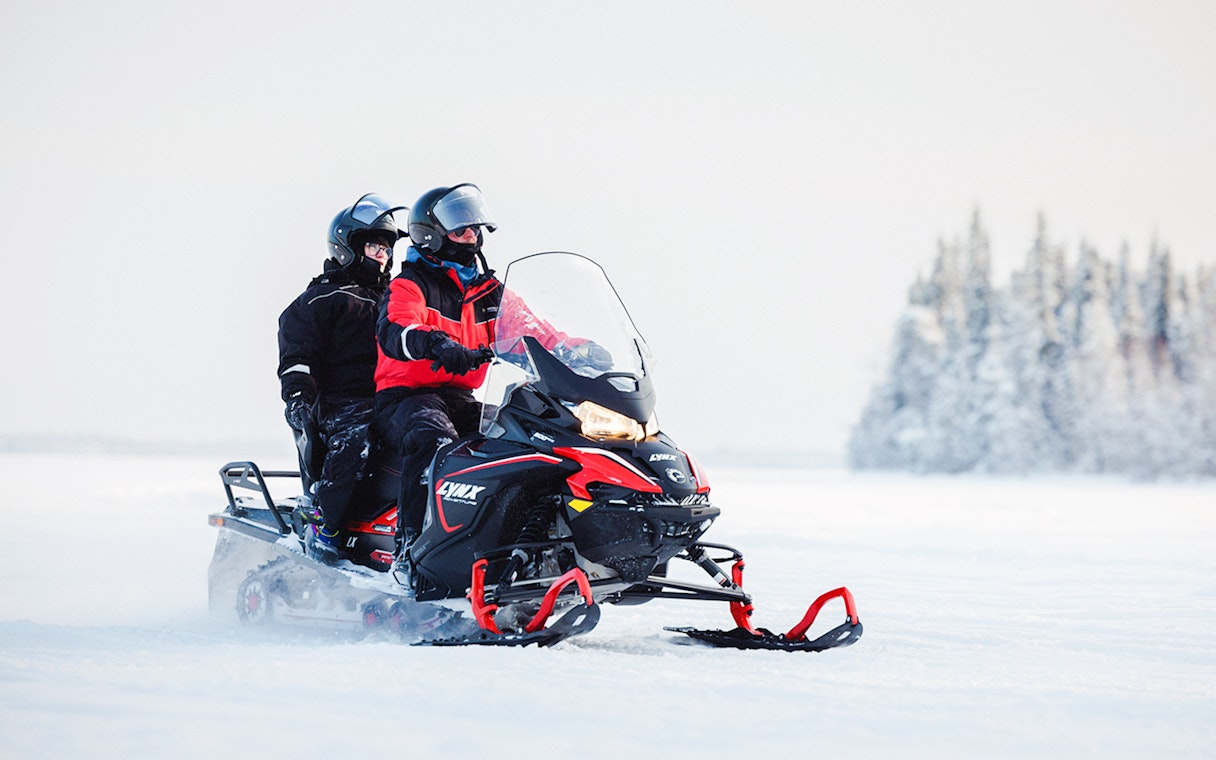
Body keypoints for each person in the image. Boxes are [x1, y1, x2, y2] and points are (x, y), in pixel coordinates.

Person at [372, 184, 503, 560]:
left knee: (516, 436)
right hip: (405, 398)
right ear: (432, 235)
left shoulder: (489, 292)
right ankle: (412, 551)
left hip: (460, 398)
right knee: (435, 442)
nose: (472, 237)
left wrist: (576, 348)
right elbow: (397, 328)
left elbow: (532, 328)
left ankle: (500, 542)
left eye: (474, 230)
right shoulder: (410, 285)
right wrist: (435, 343)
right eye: (462, 230)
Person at [278, 193, 403, 564]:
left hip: (392, 398)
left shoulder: (396, 301)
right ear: (347, 247)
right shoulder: (322, 300)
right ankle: (325, 524)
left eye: (386, 249)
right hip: (340, 404)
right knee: (358, 438)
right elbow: (297, 357)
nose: (381, 255)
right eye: (373, 246)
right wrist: (298, 399)